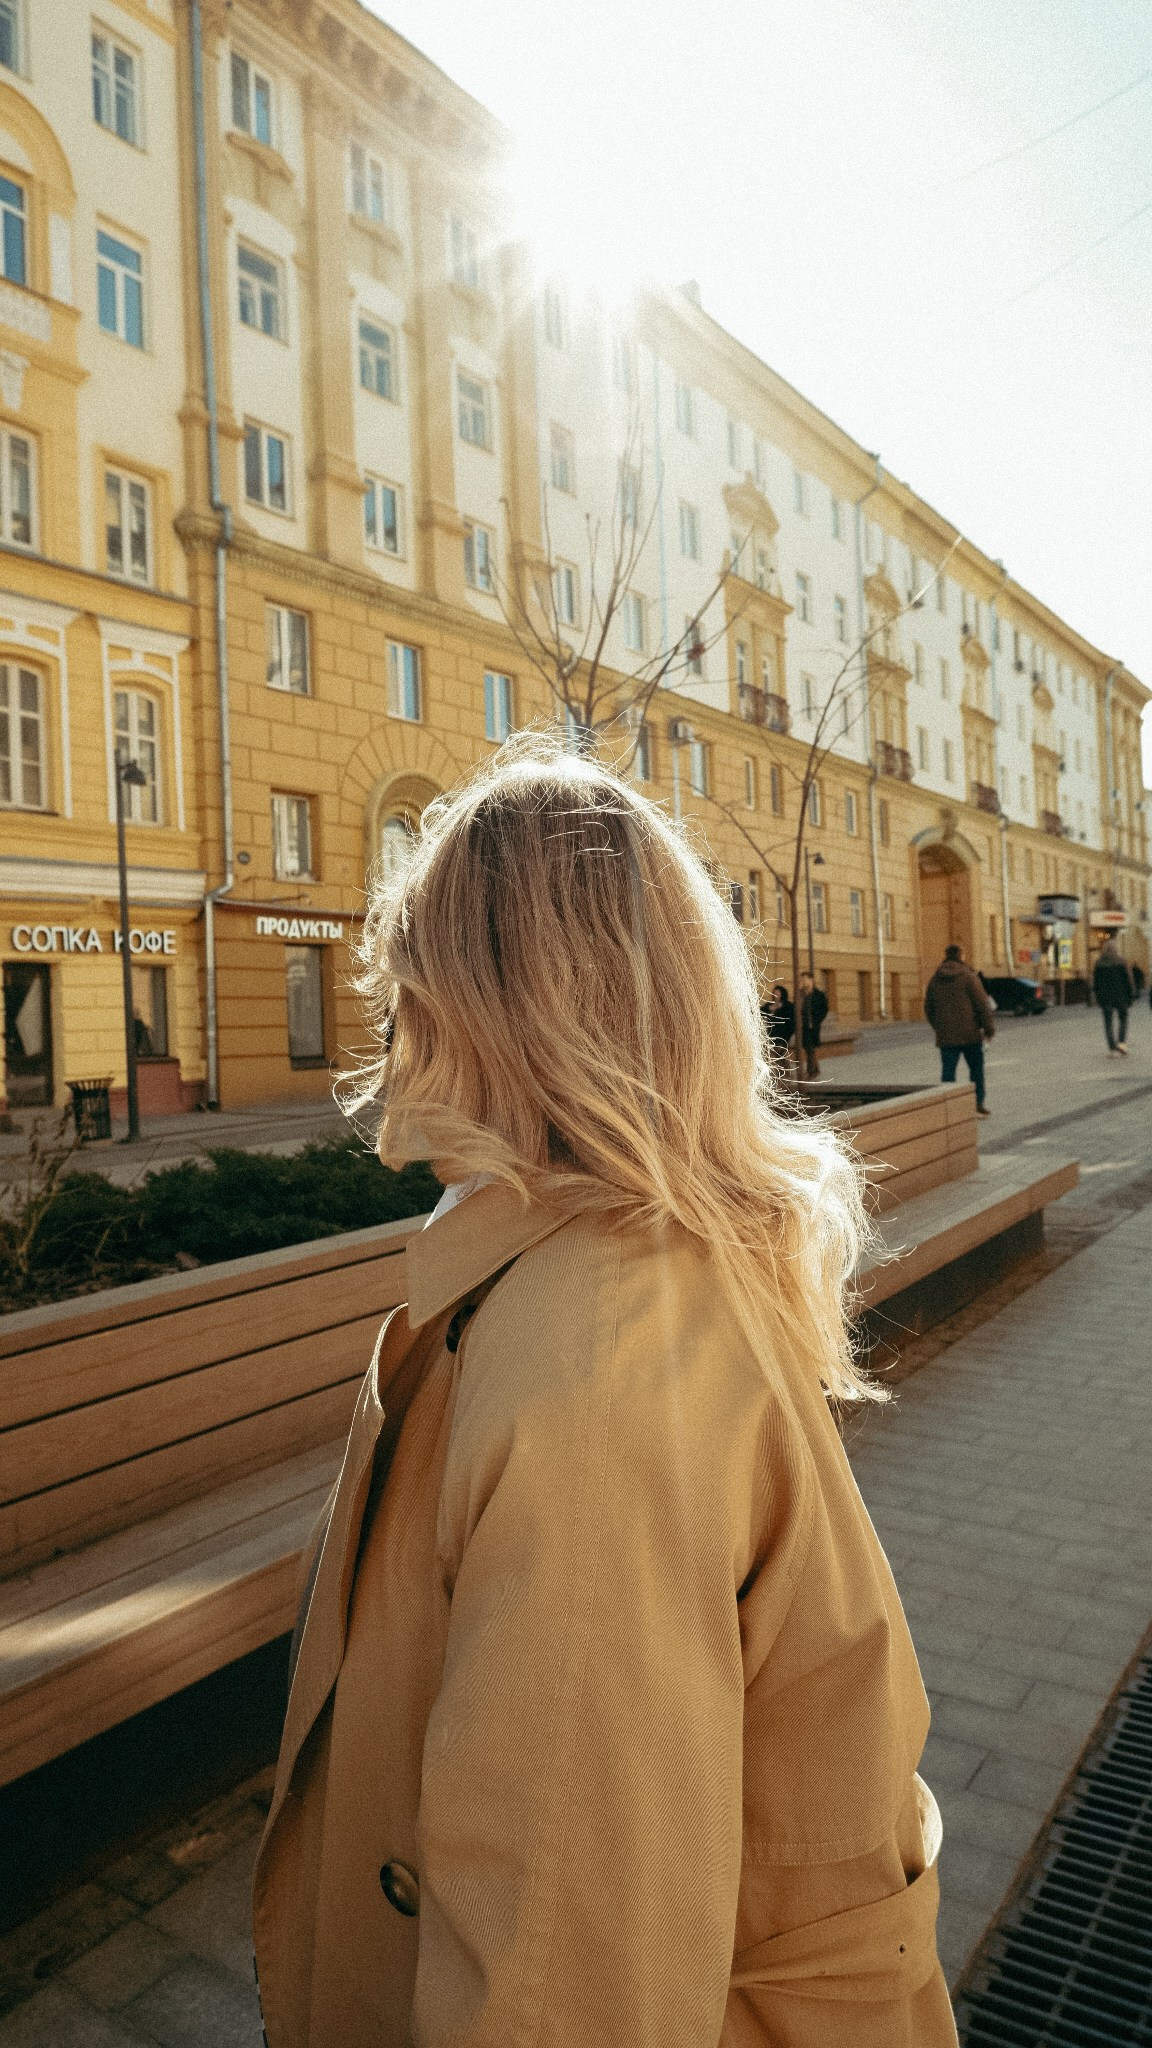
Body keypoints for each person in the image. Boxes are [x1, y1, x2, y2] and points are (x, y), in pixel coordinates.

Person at [253, 741, 957, 2048]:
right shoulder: (632, 1264)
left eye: (401, 983)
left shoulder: (593, 1357)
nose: (384, 1027)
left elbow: (556, 1985)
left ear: (463, 1004)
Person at [923, 942, 995, 1117]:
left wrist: (939, 1026)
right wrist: (989, 1029)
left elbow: (928, 1007)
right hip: (970, 1034)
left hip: (946, 1036)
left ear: (946, 956)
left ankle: (949, 1109)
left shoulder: (935, 978)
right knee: (976, 1070)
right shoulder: (969, 976)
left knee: (948, 1072)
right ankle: (977, 1105)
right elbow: (981, 1004)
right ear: (961, 956)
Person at [1092, 937, 1134, 1055]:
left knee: (1108, 1023)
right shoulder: (1121, 961)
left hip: (1105, 998)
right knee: (1123, 1020)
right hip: (1121, 997)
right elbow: (1128, 980)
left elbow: (1096, 982)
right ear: (1116, 949)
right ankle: (1121, 1044)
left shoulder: (1099, 963)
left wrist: (1097, 995)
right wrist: (1131, 995)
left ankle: (1111, 1047)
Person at [798, 967, 829, 1079]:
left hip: (813, 1025)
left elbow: (824, 1009)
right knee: (808, 1048)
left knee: (811, 1048)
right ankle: (814, 1070)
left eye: (805, 979)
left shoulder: (818, 994)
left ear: (811, 980)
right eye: (802, 980)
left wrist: (817, 1020)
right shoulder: (801, 994)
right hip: (804, 1025)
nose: (803, 982)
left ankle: (811, 1071)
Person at [759, 979, 794, 1063]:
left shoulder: (788, 1005)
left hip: (784, 1033)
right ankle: (783, 1071)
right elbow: (761, 1012)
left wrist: (779, 1009)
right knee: (775, 1052)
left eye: (778, 993)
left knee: (781, 1051)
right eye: (774, 993)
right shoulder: (770, 1004)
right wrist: (770, 1010)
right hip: (772, 1032)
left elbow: (790, 1018)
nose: (776, 995)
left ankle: (785, 1070)